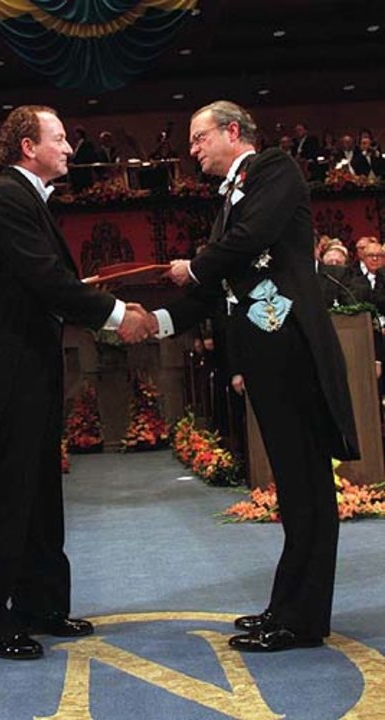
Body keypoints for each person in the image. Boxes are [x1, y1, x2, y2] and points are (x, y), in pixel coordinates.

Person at [144, 100, 359, 652]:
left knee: (306, 485)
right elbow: (223, 283)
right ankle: (288, 607)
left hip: (291, 350)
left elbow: (249, 239)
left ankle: (302, 619)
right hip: (268, 355)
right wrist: (159, 321)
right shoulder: (231, 197)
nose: (192, 151)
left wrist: (195, 265)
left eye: (198, 138)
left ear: (232, 131)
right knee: (293, 484)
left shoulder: (273, 169)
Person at [0, 105, 148, 661]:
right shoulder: (5, 199)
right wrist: (118, 315)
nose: (70, 149)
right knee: (8, 493)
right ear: (28, 146)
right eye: (60, 138)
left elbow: (47, 281)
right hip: (8, 372)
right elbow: (46, 280)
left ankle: (40, 605)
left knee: (41, 489)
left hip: (32, 366)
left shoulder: (28, 200)